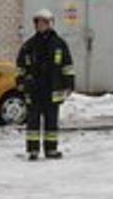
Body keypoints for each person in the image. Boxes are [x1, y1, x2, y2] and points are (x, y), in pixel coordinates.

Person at [16, 9, 75, 160]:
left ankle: (51, 150)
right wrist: (21, 83)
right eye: (38, 22)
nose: (40, 25)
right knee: (33, 121)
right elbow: (21, 67)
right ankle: (33, 150)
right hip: (34, 89)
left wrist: (69, 84)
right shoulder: (29, 45)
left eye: (43, 22)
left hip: (53, 89)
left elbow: (67, 65)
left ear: (50, 24)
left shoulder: (59, 44)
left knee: (51, 121)